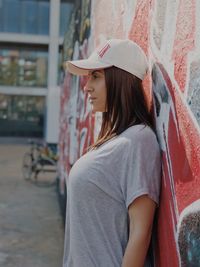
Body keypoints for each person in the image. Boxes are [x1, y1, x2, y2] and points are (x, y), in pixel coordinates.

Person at [63, 39, 161, 267]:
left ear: (121, 79)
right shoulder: (114, 139)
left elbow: (141, 231)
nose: (87, 86)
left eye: (96, 76)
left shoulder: (139, 139)